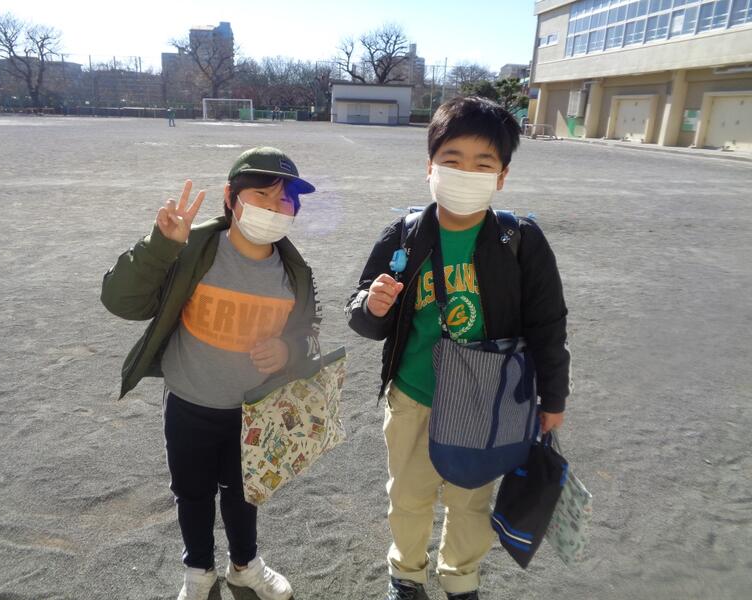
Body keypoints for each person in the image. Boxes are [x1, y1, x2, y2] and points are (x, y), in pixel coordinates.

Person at [345, 96, 570, 600]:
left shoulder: (520, 241)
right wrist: (372, 306)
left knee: (471, 503)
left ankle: (460, 578)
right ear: (430, 167)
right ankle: (406, 574)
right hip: (413, 395)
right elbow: (362, 315)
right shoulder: (403, 236)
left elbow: (548, 325)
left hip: (488, 404)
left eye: (482, 163)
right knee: (409, 496)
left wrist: (552, 398)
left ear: (502, 176)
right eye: (452, 160)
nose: (466, 172)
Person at [101, 147, 321, 600]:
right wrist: (160, 247)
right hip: (190, 403)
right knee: (192, 493)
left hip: (254, 411)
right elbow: (120, 300)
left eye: (285, 200)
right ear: (231, 197)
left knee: (245, 493)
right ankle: (198, 569)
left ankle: (244, 565)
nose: (275, 208)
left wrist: (288, 350)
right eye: (262, 195)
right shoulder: (194, 252)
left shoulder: (294, 272)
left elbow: (308, 334)